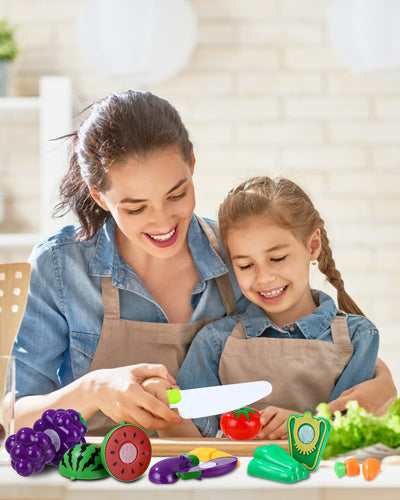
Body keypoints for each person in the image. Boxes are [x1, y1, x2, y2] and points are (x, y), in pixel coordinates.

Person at [12, 91, 395, 437]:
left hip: (214, 472)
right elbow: (15, 416)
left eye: (176, 194)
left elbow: (302, 338)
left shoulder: (239, 257)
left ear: (192, 164)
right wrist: (93, 389)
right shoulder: (59, 267)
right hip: (99, 479)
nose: (163, 222)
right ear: (99, 196)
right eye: (136, 207)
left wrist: (380, 379)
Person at [176, 176, 396, 439]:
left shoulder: (358, 337)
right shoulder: (214, 343)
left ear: (312, 245)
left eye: (277, 258)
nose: (264, 277)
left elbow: (349, 433)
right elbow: (188, 436)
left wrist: (302, 425)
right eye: (246, 265)